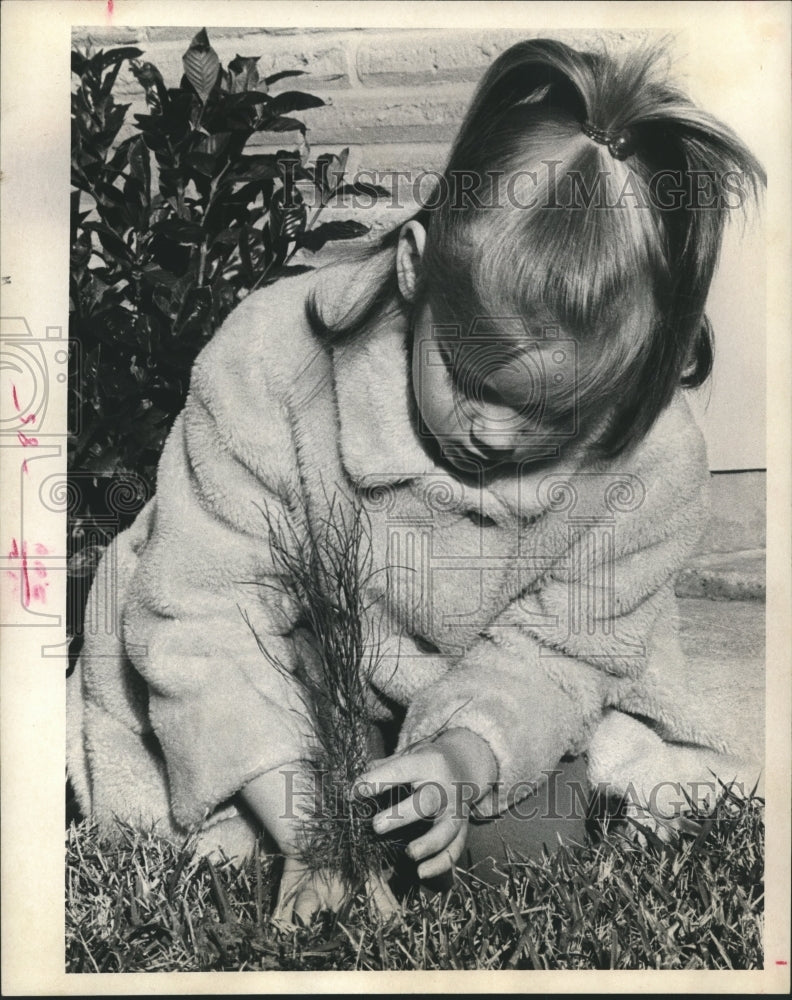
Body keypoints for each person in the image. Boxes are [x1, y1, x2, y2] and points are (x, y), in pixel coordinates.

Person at [67, 36, 765, 923]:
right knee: (216, 814)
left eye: (556, 414)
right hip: (274, 657)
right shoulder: (272, 360)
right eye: (470, 380)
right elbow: (202, 611)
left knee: (525, 843)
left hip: (481, 685)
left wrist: (465, 759)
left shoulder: (651, 454)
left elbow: (568, 650)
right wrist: (308, 823)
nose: (495, 432)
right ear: (414, 269)